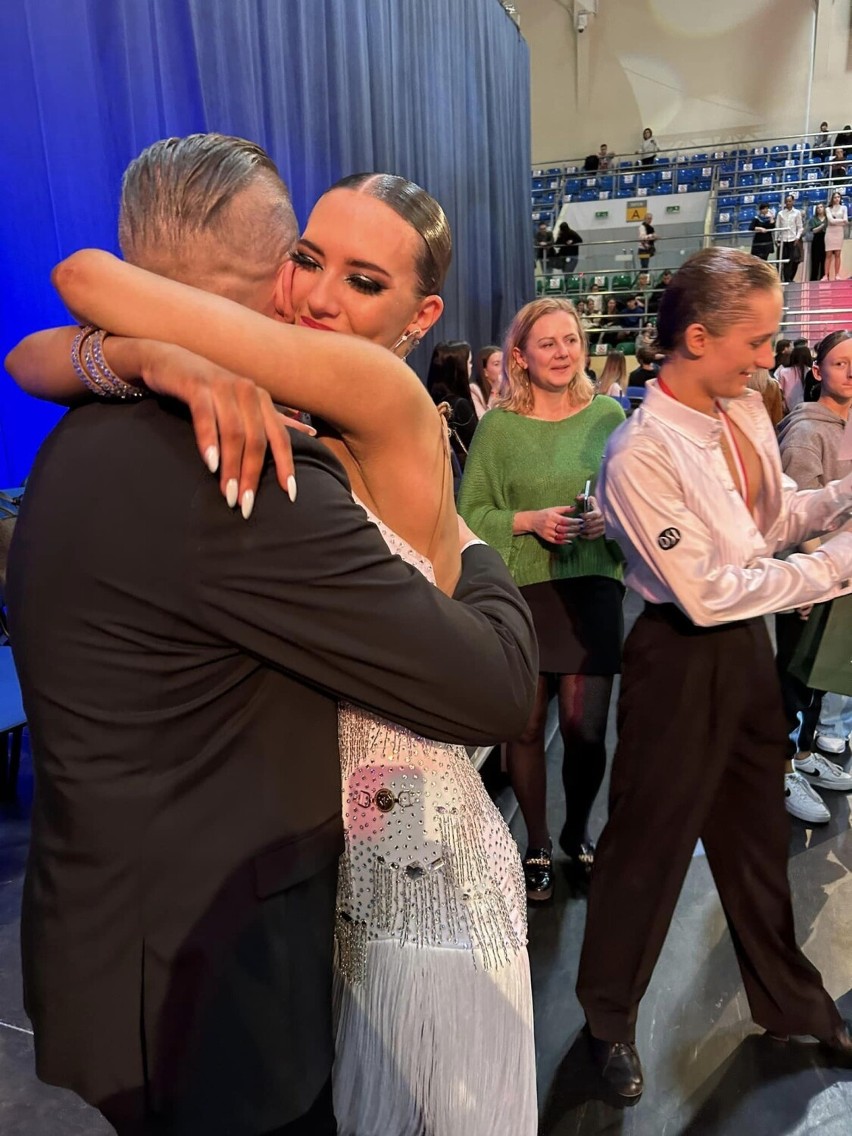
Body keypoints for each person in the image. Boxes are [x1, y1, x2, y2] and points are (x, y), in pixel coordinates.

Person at [6, 138, 539, 1136]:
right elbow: (500, 685)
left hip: (139, 944)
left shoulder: (87, 421)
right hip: (219, 984)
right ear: (258, 274)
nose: (315, 295)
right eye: (303, 257)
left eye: (361, 277)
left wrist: (121, 350)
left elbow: (62, 312)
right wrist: (481, 555)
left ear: (422, 313)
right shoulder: (237, 456)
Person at [575, 247, 852, 1101]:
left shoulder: (739, 415)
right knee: (645, 851)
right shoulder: (639, 455)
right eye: (760, 341)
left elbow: (769, 526)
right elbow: (707, 592)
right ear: (697, 338)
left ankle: (791, 1004)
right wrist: (839, 564)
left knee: (756, 843)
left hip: (746, 656)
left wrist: (841, 500)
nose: (773, 358)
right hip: (678, 657)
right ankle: (605, 1024)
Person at [458, 298, 626, 902]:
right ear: (521, 357)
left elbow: (636, 502)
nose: (561, 352)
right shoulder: (499, 429)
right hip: (520, 592)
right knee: (524, 729)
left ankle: (578, 831)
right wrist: (528, 520)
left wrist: (611, 520)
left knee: (585, 732)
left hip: (592, 590)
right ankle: (535, 843)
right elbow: (468, 514)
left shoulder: (608, 416)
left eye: (571, 340)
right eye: (547, 343)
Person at [775, 330, 852, 825]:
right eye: (843, 363)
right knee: (793, 682)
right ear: (818, 372)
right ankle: (781, 770)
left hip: (842, 576)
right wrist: (812, 578)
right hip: (813, 577)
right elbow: (797, 512)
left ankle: (803, 756)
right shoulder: (806, 430)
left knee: (821, 681)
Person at [425, 340, 478, 476]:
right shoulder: (460, 405)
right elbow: (478, 445)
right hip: (464, 477)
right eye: (469, 362)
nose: (471, 367)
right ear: (459, 368)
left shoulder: (428, 400)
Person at [776, 343, 814, 414]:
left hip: (788, 412)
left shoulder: (783, 372)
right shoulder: (812, 372)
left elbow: (780, 393)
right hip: (808, 411)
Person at [775, 194, 804, 284]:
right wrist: (776, 239)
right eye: (786, 201)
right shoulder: (780, 214)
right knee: (780, 260)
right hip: (782, 240)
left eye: (790, 201)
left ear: (793, 202)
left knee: (791, 261)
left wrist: (797, 237)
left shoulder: (797, 213)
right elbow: (777, 227)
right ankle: (779, 279)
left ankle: (788, 279)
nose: (788, 203)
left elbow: (800, 227)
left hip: (792, 239)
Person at [472, 344, 501, 416]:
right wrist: (495, 391)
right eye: (497, 364)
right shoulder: (474, 390)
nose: (503, 368)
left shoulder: (509, 389)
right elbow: (483, 422)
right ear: (485, 371)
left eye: (504, 363)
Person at [825, 190, 848, 281]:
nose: (837, 199)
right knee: (828, 254)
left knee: (838, 254)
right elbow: (831, 221)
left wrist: (839, 221)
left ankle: (837, 274)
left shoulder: (844, 208)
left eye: (838, 197)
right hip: (830, 232)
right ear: (832, 199)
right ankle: (826, 275)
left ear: (840, 198)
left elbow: (846, 220)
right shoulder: (828, 209)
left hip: (839, 232)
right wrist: (841, 221)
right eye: (835, 197)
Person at [808, 202, 828, 281]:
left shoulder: (827, 218)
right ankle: (813, 279)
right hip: (817, 240)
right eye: (818, 208)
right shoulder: (813, 219)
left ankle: (824, 277)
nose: (820, 209)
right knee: (815, 261)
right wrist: (823, 225)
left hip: (826, 239)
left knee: (825, 260)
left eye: (821, 207)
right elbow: (814, 231)